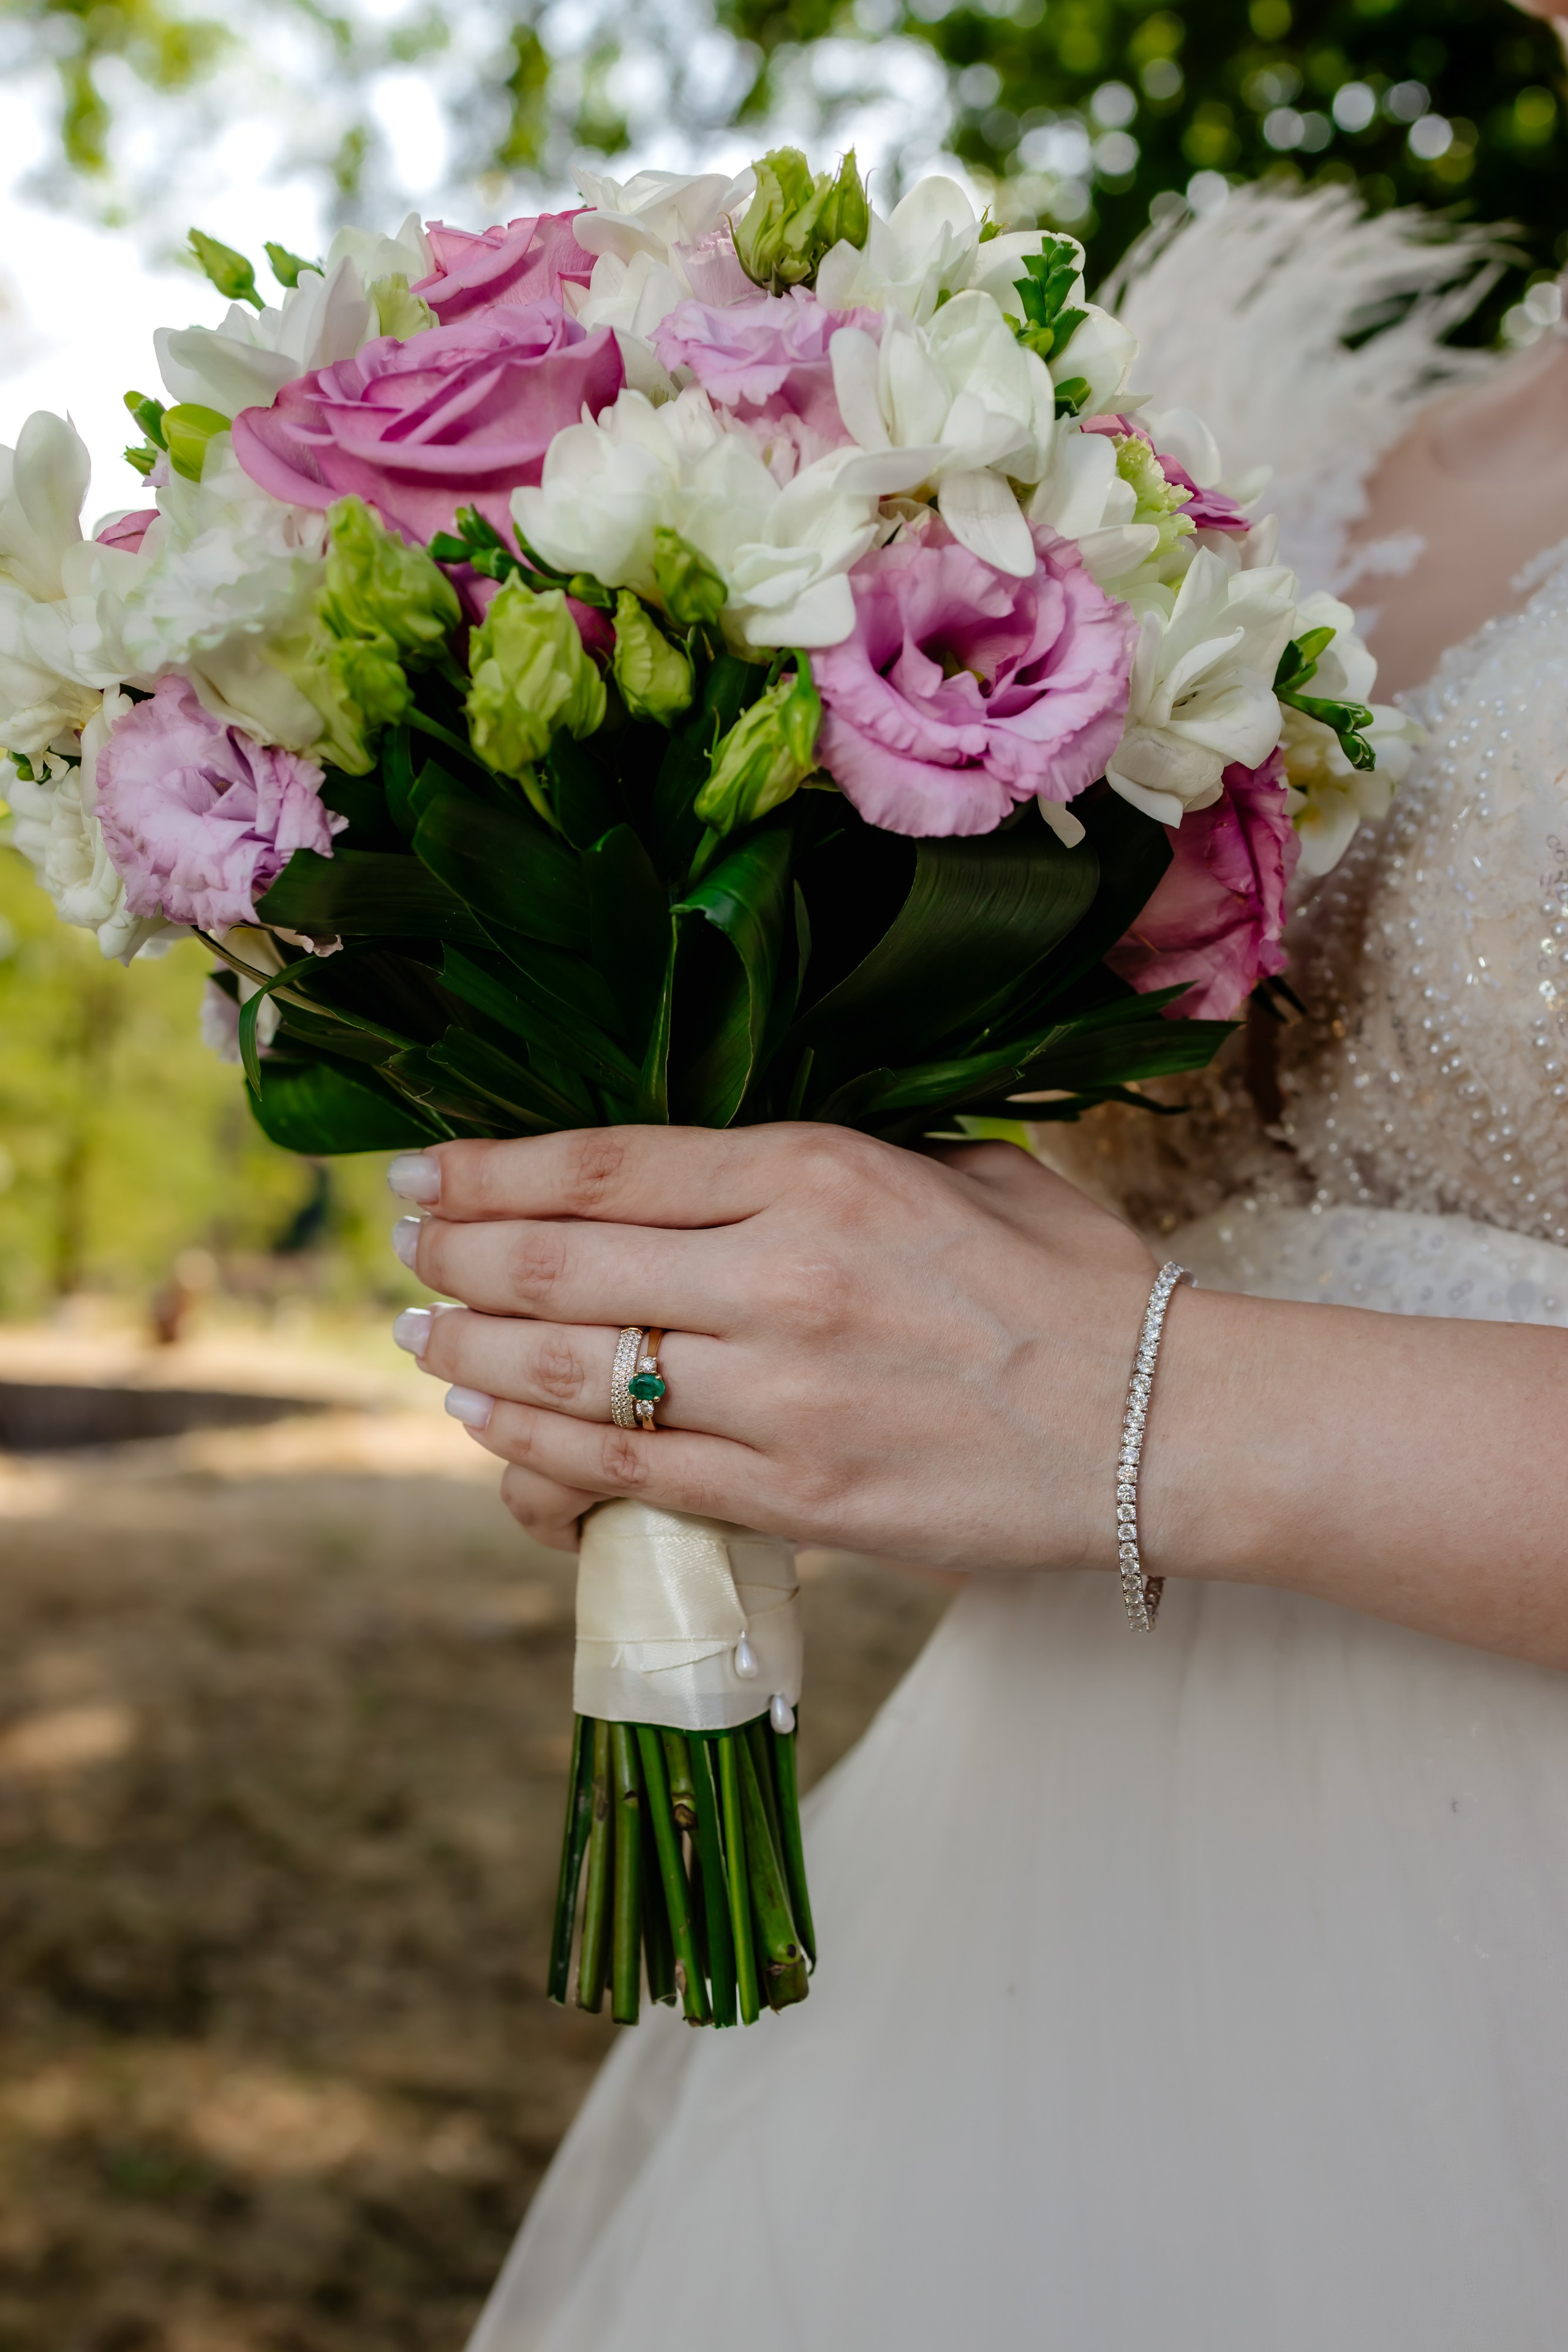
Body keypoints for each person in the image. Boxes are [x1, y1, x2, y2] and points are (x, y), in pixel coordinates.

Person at [385, 181, 1568, 2348]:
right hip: (1047, 1926)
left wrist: (1138, 1399)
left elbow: (1107, 1367)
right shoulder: (1225, 445)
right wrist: (737, 1333)